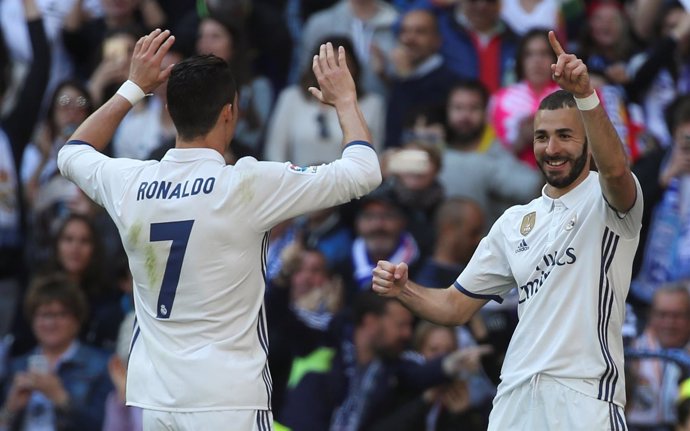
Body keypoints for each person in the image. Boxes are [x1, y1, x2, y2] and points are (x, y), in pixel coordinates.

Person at [57, 29, 381, 430]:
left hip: (157, 401)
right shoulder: (245, 184)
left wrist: (132, 87)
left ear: (171, 112)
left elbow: (72, 152)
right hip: (227, 398)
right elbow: (363, 172)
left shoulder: (131, 182)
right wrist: (347, 101)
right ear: (230, 112)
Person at [372, 31, 643, 429]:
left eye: (565, 136)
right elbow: (454, 306)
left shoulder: (609, 202)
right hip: (515, 399)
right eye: (542, 136)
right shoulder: (513, 222)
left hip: (584, 395)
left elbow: (616, 168)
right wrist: (403, 290)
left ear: (589, 142)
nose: (552, 148)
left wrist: (586, 95)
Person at [0, 275, 112, 431]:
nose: (51, 323)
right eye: (44, 314)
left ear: (77, 318)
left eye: (61, 314)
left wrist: (61, 398)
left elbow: (109, 425)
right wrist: (10, 409)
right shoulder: (17, 365)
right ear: (32, 319)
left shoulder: (101, 365)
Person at [627, 283, 690, 429]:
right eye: (662, 315)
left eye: (677, 315)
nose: (669, 323)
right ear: (650, 315)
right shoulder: (631, 348)